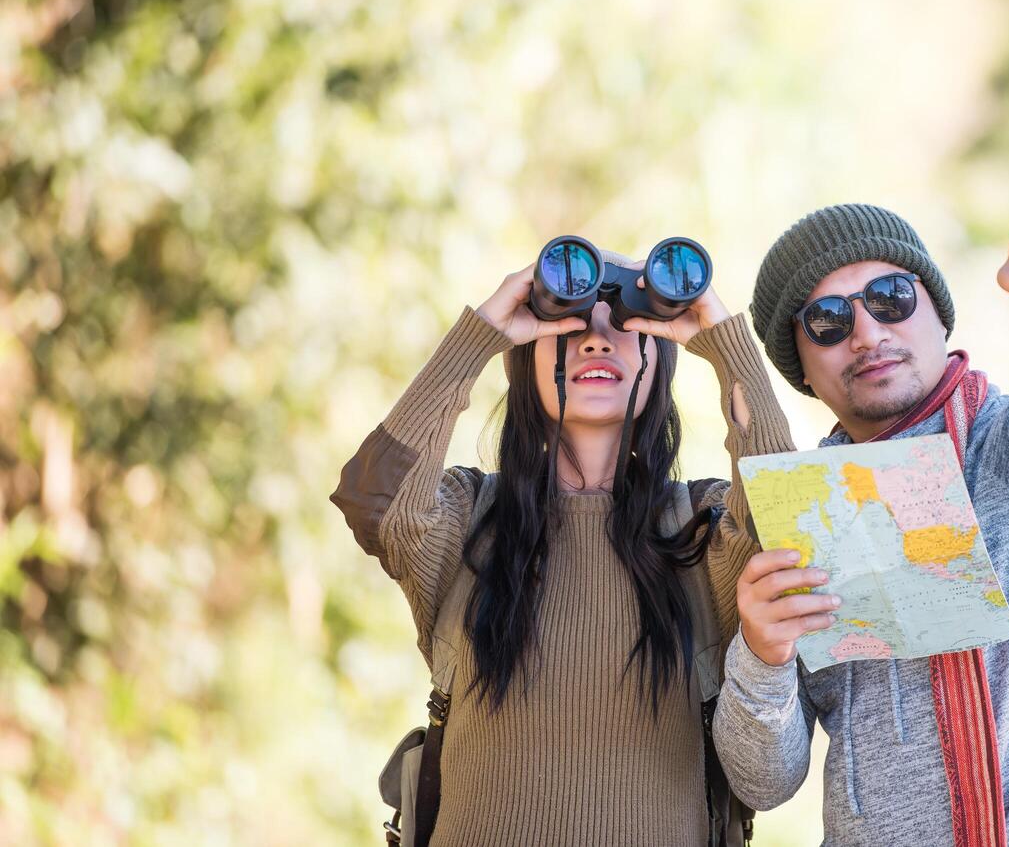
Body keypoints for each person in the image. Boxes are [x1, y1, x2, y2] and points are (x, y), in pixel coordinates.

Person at [714, 199, 1009, 845]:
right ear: (801, 367)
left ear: (935, 310)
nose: (866, 334)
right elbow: (763, 784)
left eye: (889, 297)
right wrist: (761, 655)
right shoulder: (803, 514)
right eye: (827, 320)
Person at [330, 248, 792, 846]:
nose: (596, 340)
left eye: (624, 323)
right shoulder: (469, 522)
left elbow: (789, 528)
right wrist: (479, 338)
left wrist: (727, 348)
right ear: (527, 357)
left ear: (662, 358)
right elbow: (374, 500)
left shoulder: (699, 530)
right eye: (571, 322)